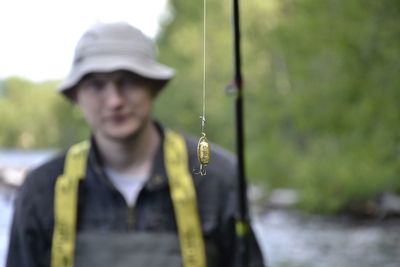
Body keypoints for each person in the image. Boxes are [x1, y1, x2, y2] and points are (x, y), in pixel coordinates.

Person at [6, 22, 265, 267]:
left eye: (128, 81)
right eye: (97, 85)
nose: (115, 100)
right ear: (76, 96)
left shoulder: (215, 178)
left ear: (154, 87)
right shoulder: (41, 190)